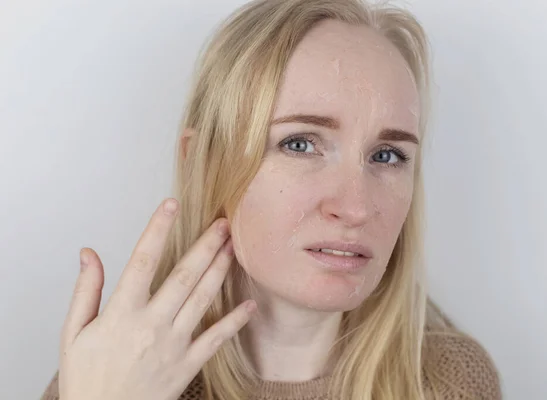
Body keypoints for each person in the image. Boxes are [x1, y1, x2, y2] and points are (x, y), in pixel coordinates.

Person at [41, 0, 502, 399]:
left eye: (387, 155)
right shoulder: (113, 375)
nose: (356, 207)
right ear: (200, 161)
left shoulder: (447, 383)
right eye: (300, 143)